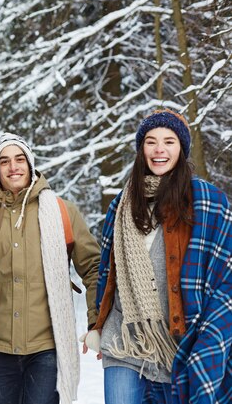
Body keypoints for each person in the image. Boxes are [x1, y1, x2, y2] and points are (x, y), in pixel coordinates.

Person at [89, 109, 232, 403]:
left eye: (169, 141)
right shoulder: (122, 204)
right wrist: (98, 323)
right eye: (151, 141)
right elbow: (109, 274)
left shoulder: (207, 202)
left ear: (181, 149)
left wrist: (209, 337)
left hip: (178, 342)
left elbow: (224, 274)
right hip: (124, 338)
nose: (159, 150)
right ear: (141, 149)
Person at [0, 132, 101, 404]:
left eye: (19, 159)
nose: (13, 167)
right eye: (4, 162)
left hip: (46, 348)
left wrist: (97, 319)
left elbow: (94, 268)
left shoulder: (62, 211)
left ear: (30, 163)